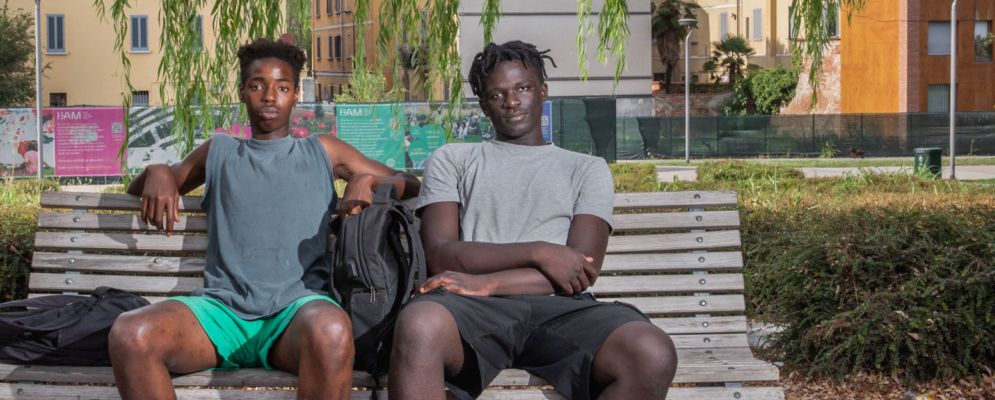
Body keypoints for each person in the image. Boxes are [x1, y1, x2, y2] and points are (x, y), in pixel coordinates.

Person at [109, 38, 421, 400]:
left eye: (282, 87)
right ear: (243, 91)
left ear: (296, 95)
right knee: (130, 334)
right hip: (219, 316)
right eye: (258, 85)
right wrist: (158, 169)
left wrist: (366, 179)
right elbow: (141, 188)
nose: (270, 96)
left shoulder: (322, 150)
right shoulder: (219, 151)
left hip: (295, 315)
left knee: (333, 330)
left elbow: (409, 182)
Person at [387, 41, 678, 400]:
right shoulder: (453, 159)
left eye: (523, 88)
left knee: (652, 351)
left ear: (542, 91)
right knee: (419, 323)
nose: (512, 102)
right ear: (484, 105)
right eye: (497, 94)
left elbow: (579, 270)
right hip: (470, 308)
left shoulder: (586, 169)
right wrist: (542, 252)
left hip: (559, 309)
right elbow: (442, 254)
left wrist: (489, 282)